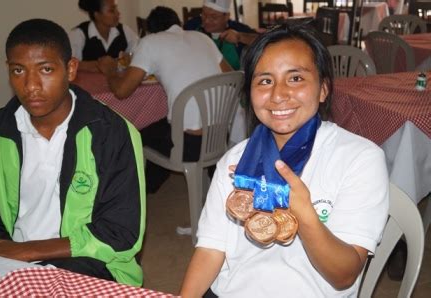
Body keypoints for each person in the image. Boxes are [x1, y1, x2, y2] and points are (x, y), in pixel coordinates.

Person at [180, 23, 389, 297]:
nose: (278, 95)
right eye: (265, 81)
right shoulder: (237, 160)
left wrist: (305, 214)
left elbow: (344, 275)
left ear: (323, 89)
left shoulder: (359, 159)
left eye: (295, 78)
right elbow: (210, 248)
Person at [0, 18, 145, 286]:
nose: (31, 85)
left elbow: (121, 233)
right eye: (19, 71)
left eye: (45, 69)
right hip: (7, 255)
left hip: (88, 259)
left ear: (70, 69)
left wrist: (28, 251)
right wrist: (12, 256)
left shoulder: (111, 133)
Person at [98, 6, 231, 193]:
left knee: (136, 130)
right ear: (178, 23)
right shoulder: (202, 38)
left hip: (189, 146)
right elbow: (231, 76)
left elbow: (121, 91)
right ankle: (155, 183)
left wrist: (110, 70)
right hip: (220, 135)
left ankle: (143, 187)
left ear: (152, 31)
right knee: (161, 124)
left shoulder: (150, 42)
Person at [184, 0, 257, 70]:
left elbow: (263, 41)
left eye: (214, 17)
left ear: (226, 16)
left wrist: (240, 37)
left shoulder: (238, 28)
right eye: (204, 14)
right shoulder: (192, 25)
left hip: (232, 79)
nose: (207, 20)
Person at [69, 0, 139, 72]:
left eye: (116, 9)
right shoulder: (79, 34)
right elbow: (70, 64)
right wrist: (101, 65)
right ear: (97, 15)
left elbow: (140, 54)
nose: (118, 13)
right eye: (112, 10)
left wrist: (129, 58)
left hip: (117, 82)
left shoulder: (124, 30)